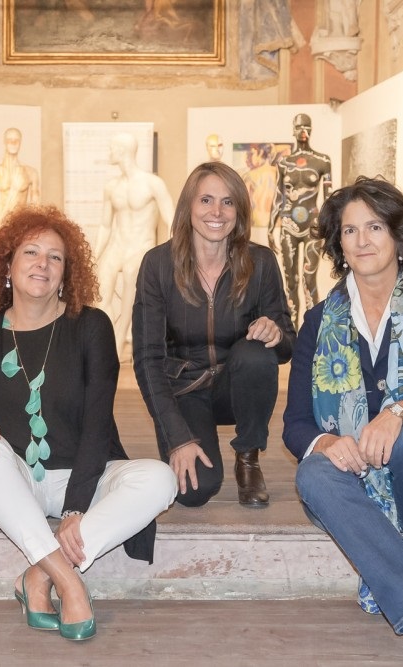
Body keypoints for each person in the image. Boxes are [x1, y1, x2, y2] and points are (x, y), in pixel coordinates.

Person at [0, 205, 177, 641]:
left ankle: (37, 575)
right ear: (7, 266)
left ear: (66, 273)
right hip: (13, 484)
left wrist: (75, 507)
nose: (43, 264)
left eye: (55, 257)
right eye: (31, 252)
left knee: (159, 479)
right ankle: (68, 581)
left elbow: (97, 424)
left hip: (84, 476)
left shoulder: (91, 326)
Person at [282, 177, 403, 666]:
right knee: (313, 473)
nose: (362, 240)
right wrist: (328, 442)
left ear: (397, 233)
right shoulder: (318, 322)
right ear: (339, 243)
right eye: (349, 231)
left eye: (374, 227)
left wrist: (398, 412)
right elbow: (295, 424)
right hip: (355, 484)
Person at [133, 161, 296, 509]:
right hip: (185, 389)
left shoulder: (261, 262)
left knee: (256, 355)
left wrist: (275, 334)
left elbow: (287, 347)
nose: (217, 212)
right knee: (195, 491)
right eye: (206, 200)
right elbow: (147, 359)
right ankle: (191, 440)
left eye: (228, 202)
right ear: (188, 206)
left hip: (235, 388)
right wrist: (177, 437)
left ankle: (248, 458)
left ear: (239, 210)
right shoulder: (158, 265)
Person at [95, 132, 175, 361]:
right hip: (117, 245)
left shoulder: (153, 183)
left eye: (112, 148)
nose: (109, 153)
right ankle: (107, 339)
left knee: (132, 274)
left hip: (141, 246)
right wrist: (94, 255)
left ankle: (120, 341)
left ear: (122, 151)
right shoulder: (111, 187)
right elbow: (105, 225)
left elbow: (171, 219)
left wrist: (170, 253)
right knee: (99, 289)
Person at [269, 113, 333, 326]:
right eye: (299, 127)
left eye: (307, 127)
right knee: (290, 282)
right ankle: (291, 332)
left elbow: (329, 198)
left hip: (313, 226)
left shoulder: (322, 161)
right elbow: (279, 195)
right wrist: (271, 227)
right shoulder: (284, 163)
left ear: (311, 129)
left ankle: (313, 331)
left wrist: (330, 228)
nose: (303, 131)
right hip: (288, 225)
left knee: (309, 279)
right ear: (293, 130)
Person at [241, 142, 278, 246]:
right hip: (275, 225)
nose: (248, 158)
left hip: (255, 225)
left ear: (261, 153)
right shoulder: (279, 173)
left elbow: (244, 203)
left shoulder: (250, 176)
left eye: (251, 154)